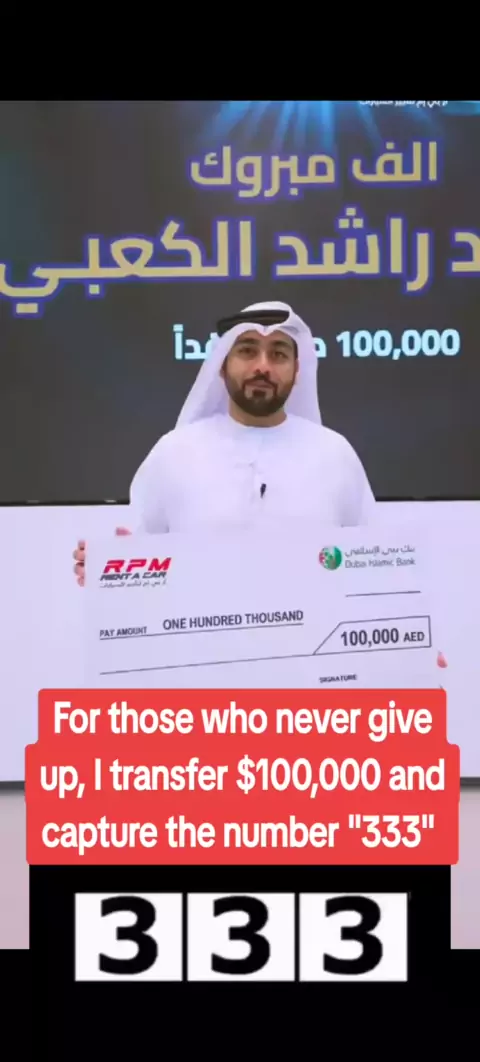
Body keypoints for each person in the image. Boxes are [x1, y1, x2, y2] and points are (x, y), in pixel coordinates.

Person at [73, 300, 376, 585]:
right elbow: (140, 555)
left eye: (279, 354)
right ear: (221, 364)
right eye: (247, 351)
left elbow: (371, 563)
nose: (263, 367)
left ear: (297, 371)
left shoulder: (335, 455)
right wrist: (108, 570)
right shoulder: (174, 453)